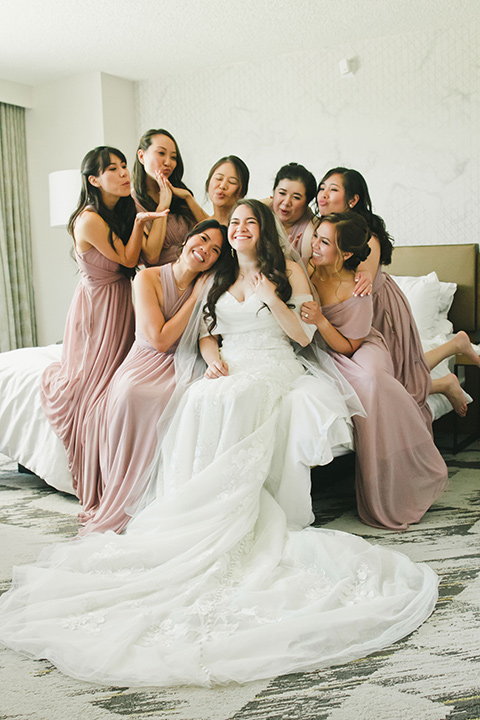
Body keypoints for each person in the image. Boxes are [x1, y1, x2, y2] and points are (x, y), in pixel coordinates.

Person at [0, 201, 439, 688]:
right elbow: (206, 332)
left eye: (249, 222)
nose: (238, 229)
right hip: (230, 362)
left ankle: (233, 512)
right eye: (234, 222)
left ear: (263, 230)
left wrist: (275, 300)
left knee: (240, 398)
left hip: (272, 361)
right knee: (198, 399)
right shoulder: (217, 275)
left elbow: (303, 334)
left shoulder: (288, 269)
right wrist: (211, 359)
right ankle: (194, 509)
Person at [77, 219, 228, 536]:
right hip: (146, 359)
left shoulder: (212, 285)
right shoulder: (146, 277)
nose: (205, 251)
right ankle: (123, 495)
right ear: (186, 240)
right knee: (132, 391)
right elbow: (159, 339)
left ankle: (165, 497)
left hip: (184, 360)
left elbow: (206, 334)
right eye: (201, 240)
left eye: (215, 250)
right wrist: (195, 296)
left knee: (185, 397)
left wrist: (203, 292)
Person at [301, 211, 448, 530]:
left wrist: (321, 321)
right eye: (316, 237)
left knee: (372, 382)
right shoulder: (307, 266)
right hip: (322, 344)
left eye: (324, 242)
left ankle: (409, 473)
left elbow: (349, 347)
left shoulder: (357, 290)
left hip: (357, 346)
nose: (315, 244)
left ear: (347, 254)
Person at [40, 146, 167, 498]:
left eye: (125, 166)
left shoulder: (127, 207)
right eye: (114, 169)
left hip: (124, 301)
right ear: (94, 180)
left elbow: (152, 254)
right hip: (97, 307)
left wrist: (159, 206)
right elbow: (129, 257)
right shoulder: (89, 218)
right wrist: (142, 222)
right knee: (93, 387)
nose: (125, 173)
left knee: (120, 377)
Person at [316, 167, 479, 419]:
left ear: (353, 200)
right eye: (322, 188)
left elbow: (365, 277)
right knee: (395, 373)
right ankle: (454, 350)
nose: (323, 195)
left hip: (377, 306)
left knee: (395, 375)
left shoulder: (366, 236)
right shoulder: (321, 229)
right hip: (355, 308)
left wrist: (363, 276)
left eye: (333, 189)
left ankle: (448, 374)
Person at [132, 128, 208, 266]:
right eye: (161, 153)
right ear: (141, 156)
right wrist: (163, 206)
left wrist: (188, 198)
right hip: (163, 280)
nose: (168, 162)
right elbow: (152, 256)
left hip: (199, 275)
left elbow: (214, 232)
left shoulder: (181, 194)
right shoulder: (131, 203)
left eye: (173, 157)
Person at [269, 162, 317, 263]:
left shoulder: (311, 232)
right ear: (274, 192)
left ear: (306, 203)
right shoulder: (259, 213)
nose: (286, 202)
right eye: (282, 193)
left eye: (296, 197)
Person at [205, 155, 250, 225]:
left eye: (232, 182)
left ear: (242, 192)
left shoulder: (243, 228)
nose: (222, 186)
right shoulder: (201, 227)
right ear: (208, 183)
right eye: (218, 178)